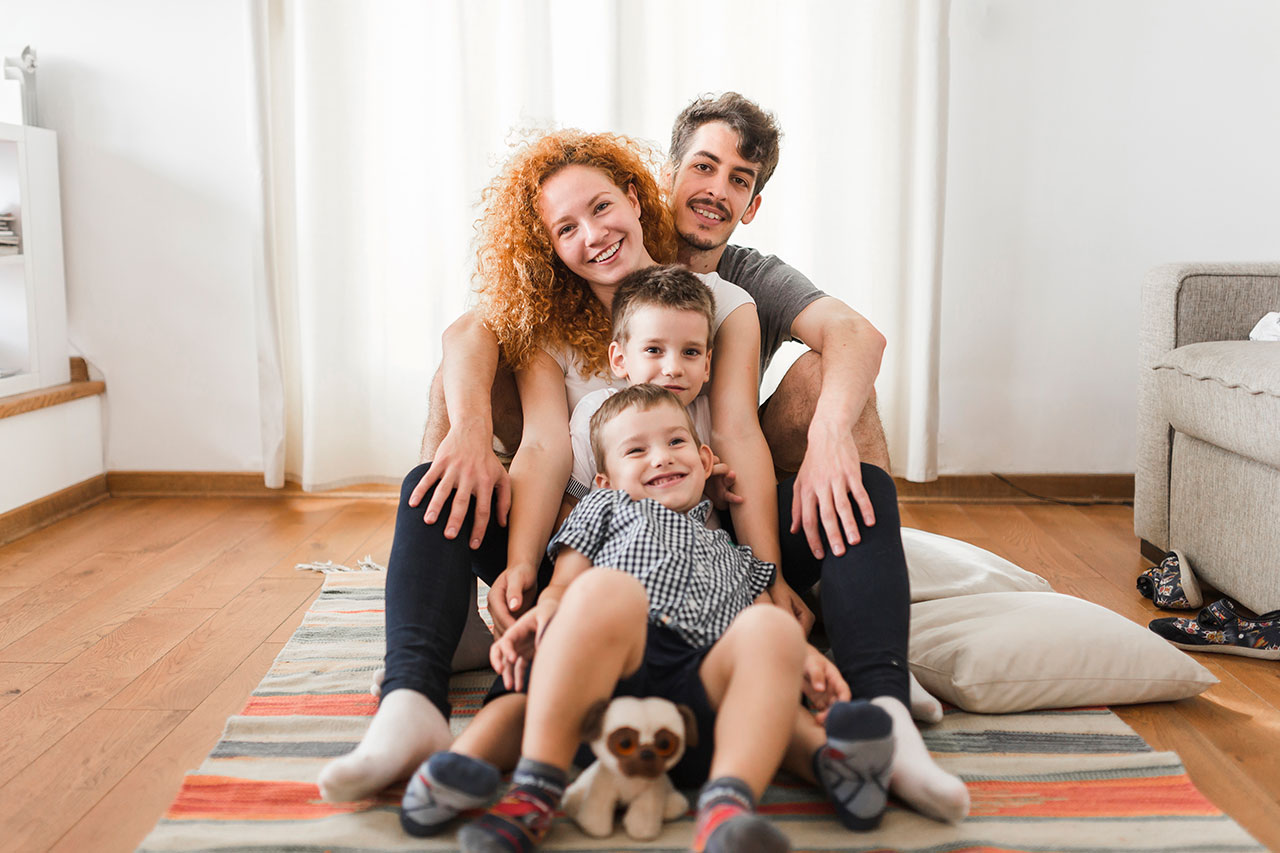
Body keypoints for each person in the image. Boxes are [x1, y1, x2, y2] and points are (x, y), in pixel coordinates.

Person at [317, 129, 792, 803]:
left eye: (601, 207)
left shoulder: (716, 304)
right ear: (549, 246)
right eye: (566, 227)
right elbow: (543, 445)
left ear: (633, 196)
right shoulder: (546, 324)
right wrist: (519, 567)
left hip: (678, 555)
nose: (593, 234)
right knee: (431, 484)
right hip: (573, 545)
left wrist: (765, 573)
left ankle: (529, 721)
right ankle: (412, 702)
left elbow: (741, 432)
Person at [449, 384, 894, 852]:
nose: (660, 457)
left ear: (706, 461)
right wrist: (543, 615)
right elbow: (563, 584)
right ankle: (523, 788)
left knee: (774, 633)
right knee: (593, 601)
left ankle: (742, 801)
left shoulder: (735, 551)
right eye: (636, 450)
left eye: (676, 443)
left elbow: (761, 636)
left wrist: (802, 657)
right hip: (600, 698)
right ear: (604, 481)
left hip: (696, 713)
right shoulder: (605, 508)